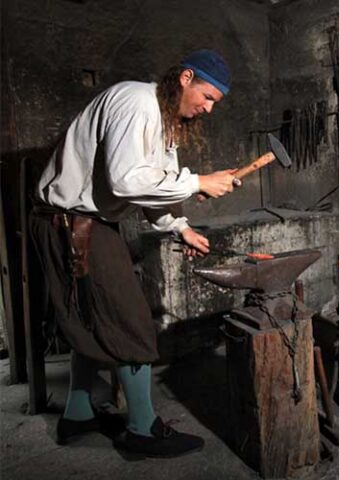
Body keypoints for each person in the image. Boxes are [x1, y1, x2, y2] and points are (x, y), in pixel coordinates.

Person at [30, 49, 239, 458]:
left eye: (215, 101)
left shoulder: (164, 123)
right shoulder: (137, 102)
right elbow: (127, 182)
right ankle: (143, 430)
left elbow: (153, 184)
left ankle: (78, 412)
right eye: (208, 96)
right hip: (71, 222)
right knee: (131, 321)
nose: (208, 107)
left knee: (91, 319)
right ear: (185, 78)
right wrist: (199, 182)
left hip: (85, 222)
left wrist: (181, 227)